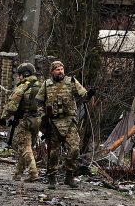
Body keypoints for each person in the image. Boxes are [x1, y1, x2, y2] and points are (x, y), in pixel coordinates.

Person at [35, 60, 92, 189]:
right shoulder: (46, 85)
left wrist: (90, 94)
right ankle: (52, 177)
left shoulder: (71, 82)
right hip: (53, 123)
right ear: (52, 72)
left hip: (69, 121)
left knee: (74, 149)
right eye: (57, 69)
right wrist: (44, 119)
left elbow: (83, 96)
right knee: (53, 152)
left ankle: (69, 175)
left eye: (62, 69)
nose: (60, 71)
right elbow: (39, 103)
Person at [2, 62, 42, 182]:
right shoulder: (40, 85)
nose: (19, 77)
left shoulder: (23, 86)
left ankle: (33, 172)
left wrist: (4, 117)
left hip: (25, 120)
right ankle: (17, 173)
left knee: (24, 147)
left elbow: (12, 106)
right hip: (37, 121)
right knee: (26, 147)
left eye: (20, 75)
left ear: (25, 74)